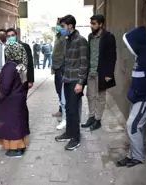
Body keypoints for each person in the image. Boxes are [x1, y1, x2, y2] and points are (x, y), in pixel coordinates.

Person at [117, 26, 146, 167]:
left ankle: (138, 157)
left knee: (132, 125)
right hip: (138, 97)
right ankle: (132, 155)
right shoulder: (140, 56)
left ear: (137, 43)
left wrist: (138, 93)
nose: (129, 48)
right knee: (133, 126)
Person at [54, 15, 88, 151]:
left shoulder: (81, 41)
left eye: (63, 26)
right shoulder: (67, 40)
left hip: (75, 81)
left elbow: (84, 63)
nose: (61, 29)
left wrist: (80, 83)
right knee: (68, 108)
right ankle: (69, 133)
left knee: (74, 110)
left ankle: (76, 138)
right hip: (67, 79)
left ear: (70, 26)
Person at [82, 14, 117, 131]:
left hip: (101, 73)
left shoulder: (108, 37)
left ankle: (98, 120)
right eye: (91, 23)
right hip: (90, 72)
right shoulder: (90, 37)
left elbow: (112, 56)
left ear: (101, 24)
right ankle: (91, 117)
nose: (91, 26)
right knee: (90, 96)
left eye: (94, 23)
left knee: (100, 97)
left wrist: (109, 74)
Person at [0, 42, 29, 157]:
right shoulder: (19, 64)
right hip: (19, 98)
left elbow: (6, 86)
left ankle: (16, 150)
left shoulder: (10, 66)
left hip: (10, 100)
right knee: (18, 123)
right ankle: (20, 146)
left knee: (12, 124)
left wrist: (0, 97)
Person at [6, 28, 34, 135]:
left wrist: (30, 80)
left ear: (16, 35)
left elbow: (30, 63)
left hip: (23, 79)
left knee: (22, 104)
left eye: (12, 35)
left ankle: (25, 128)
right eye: (8, 36)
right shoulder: (7, 48)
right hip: (12, 81)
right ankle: (16, 127)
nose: (10, 37)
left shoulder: (24, 46)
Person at [51, 18, 67, 130]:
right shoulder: (58, 36)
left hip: (62, 68)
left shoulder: (64, 37)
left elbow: (64, 53)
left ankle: (65, 115)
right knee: (58, 90)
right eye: (57, 24)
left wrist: (60, 66)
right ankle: (61, 110)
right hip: (57, 67)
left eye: (60, 25)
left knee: (62, 92)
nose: (58, 27)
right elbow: (55, 52)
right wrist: (53, 66)